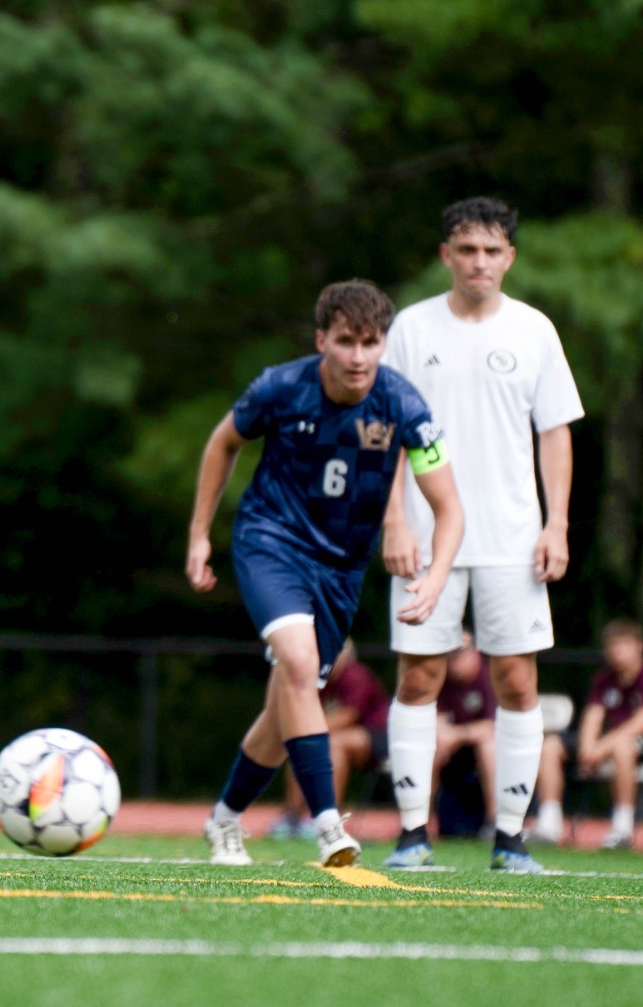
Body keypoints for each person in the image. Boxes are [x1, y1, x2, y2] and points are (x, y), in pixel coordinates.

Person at [188, 280, 463, 868]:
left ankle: (224, 821)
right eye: (346, 341)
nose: (359, 356)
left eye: (370, 342)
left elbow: (450, 509)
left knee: (288, 700)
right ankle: (329, 824)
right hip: (272, 542)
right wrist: (198, 535)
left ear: (382, 344)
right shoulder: (280, 386)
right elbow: (221, 444)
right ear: (322, 341)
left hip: (341, 567)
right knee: (296, 664)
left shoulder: (404, 406)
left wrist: (436, 576)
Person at [378, 196, 585, 874]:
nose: (480, 263)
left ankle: (512, 839)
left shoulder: (534, 331)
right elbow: (387, 438)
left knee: (519, 681)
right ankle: (413, 835)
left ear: (510, 258)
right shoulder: (410, 328)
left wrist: (556, 523)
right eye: (467, 250)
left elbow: (554, 433)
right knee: (420, 675)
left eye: (493, 251)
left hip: (513, 536)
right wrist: (395, 517)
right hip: (427, 537)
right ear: (446, 256)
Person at [536, 618, 643, 850]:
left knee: (622, 747)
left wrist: (600, 748)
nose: (617, 652)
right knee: (550, 745)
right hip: (603, 743)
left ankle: (622, 829)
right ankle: (549, 824)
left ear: (638, 646)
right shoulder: (603, 679)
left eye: (623, 644)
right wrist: (587, 748)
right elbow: (593, 715)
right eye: (612, 646)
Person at [270, 643, 389, 835]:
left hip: (379, 737)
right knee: (302, 745)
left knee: (333, 744)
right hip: (343, 737)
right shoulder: (319, 681)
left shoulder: (355, 674)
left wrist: (306, 730)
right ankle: (293, 817)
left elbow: (349, 716)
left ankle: (325, 817)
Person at [433, 629, 499, 835]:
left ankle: (495, 821)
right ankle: (420, 822)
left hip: (491, 746)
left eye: (459, 655)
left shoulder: (491, 676)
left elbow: (493, 727)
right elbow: (438, 719)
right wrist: (442, 736)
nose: (454, 661)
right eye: (450, 656)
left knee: (488, 746)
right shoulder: (443, 679)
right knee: (429, 746)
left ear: (475, 652)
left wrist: (456, 735)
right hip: (454, 750)